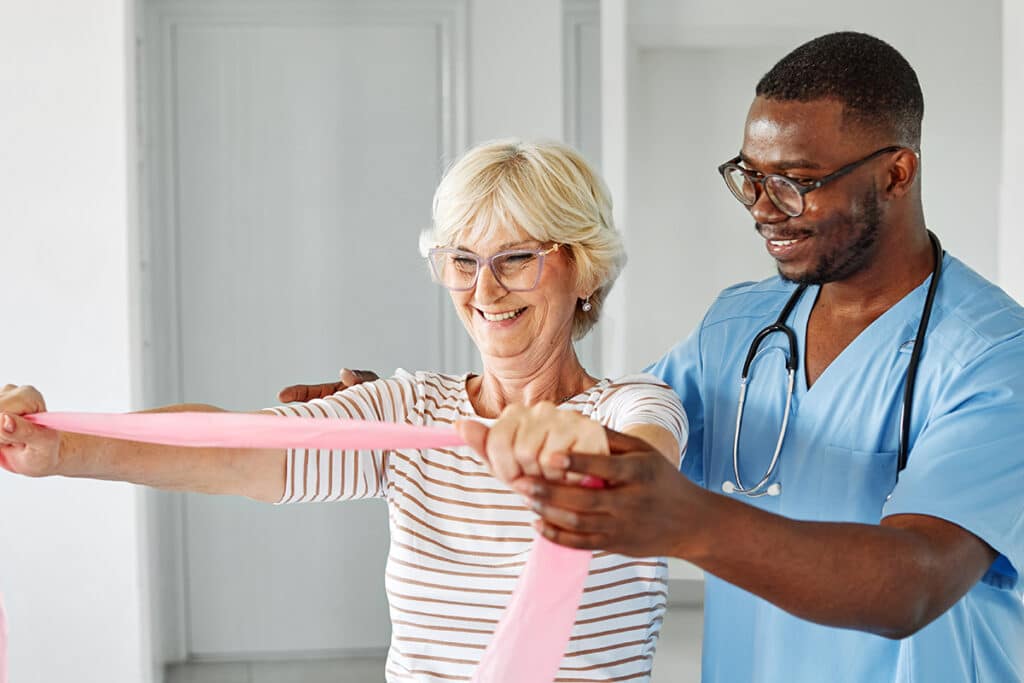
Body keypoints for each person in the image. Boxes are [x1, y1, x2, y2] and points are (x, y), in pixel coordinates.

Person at [283, 33, 1024, 683]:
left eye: (796, 183)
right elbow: (598, 432)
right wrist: (409, 419)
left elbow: (914, 586)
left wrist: (686, 521)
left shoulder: (994, 356)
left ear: (896, 173)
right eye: (750, 176)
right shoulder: (740, 326)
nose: (763, 207)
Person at [0, 140, 687, 681]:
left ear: (584, 268)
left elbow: (647, 469)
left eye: (515, 258)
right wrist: (61, 448)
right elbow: (237, 448)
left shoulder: (631, 406)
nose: (484, 290)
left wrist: (578, 451)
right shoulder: (414, 409)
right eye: (462, 260)